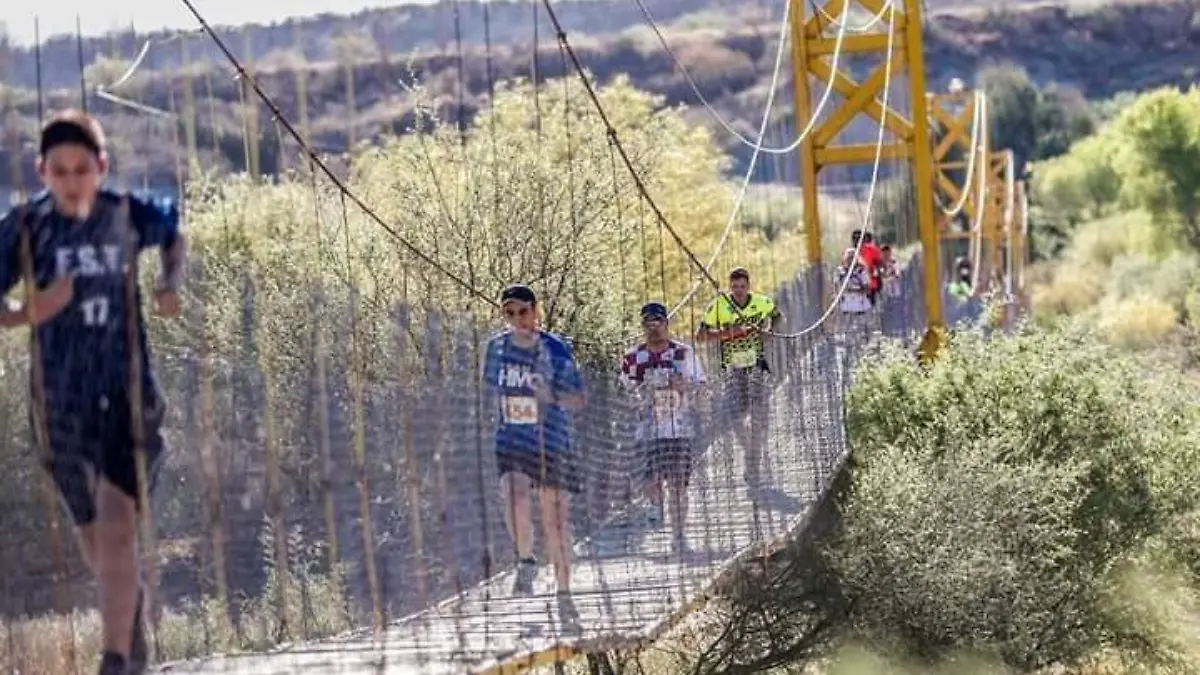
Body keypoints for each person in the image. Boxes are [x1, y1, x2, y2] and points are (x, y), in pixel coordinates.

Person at [0, 111, 187, 675]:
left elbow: (174, 236)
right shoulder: (26, 229)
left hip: (126, 392)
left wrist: (168, 284)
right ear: (42, 172)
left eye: (83, 169)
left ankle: (114, 660)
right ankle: (128, 623)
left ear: (102, 167)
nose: (73, 180)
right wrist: (30, 311)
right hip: (57, 399)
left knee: (116, 521)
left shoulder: (126, 213)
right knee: (96, 540)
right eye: (59, 171)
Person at [483, 284, 585, 598]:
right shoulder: (496, 348)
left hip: (552, 442)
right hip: (512, 440)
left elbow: (578, 398)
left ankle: (564, 591)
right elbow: (490, 389)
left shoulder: (555, 348)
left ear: (535, 310)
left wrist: (549, 395)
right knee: (514, 496)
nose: (517, 319)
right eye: (509, 313)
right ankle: (526, 561)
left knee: (555, 521)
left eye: (523, 312)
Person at [619, 302, 707, 553]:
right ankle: (654, 504)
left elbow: (702, 386)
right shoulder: (632, 357)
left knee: (678, 485)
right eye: (648, 323)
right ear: (642, 326)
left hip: (679, 429)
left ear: (667, 325)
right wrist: (640, 393)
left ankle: (679, 537)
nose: (653, 328)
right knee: (651, 481)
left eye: (658, 322)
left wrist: (684, 386)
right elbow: (623, 391)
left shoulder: (684, 353)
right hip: (647, 430)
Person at [695, 267, 780, 491]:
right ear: (730, 287)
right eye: (735, 287)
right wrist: (729, 333)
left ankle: (753, 463)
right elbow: (700, 337)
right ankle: (751, 454)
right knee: (734, 419)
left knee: (760, 419)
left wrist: (769, 331)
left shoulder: (761, 302)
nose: (739, 291)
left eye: (742, 287)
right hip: (732, 370)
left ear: (748, 286)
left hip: (757, 367)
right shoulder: (719, 307)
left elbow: (778, 317)